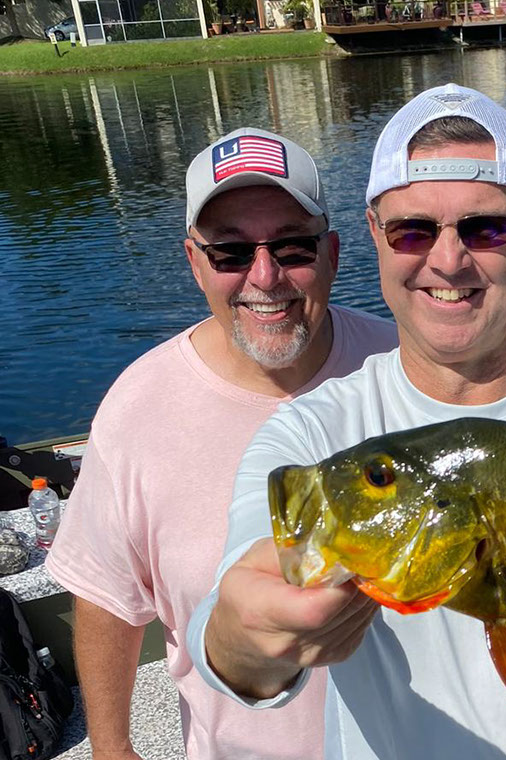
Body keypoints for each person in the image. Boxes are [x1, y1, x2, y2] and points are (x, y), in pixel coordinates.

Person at [187, 86, 506, 759]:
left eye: (484, 228)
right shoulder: (313, 436)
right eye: (412, 230)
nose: (447, 260)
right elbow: (234, 628)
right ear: (374, 235)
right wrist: (243, 641)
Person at [45, 127, 398, 759]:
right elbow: (105, 594)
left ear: (333, 253)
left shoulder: (406, 370)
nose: (265, 276)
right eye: (230, 253)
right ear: (194, 263)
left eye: (292, 246)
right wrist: (111, 747)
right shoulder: (136, 409)